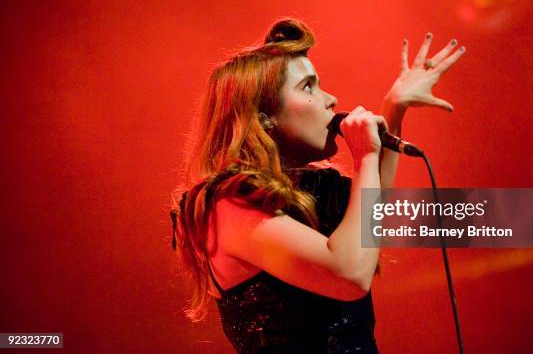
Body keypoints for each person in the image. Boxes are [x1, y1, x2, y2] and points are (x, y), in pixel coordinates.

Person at [169, 18, 465, 353]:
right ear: (264, 118)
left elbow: (369, 222)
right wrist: (366, 155)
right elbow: (350, 273)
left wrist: (394, 109)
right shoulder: (228, 208)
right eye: (308, 87)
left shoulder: (307, 194)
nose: (332, 99)